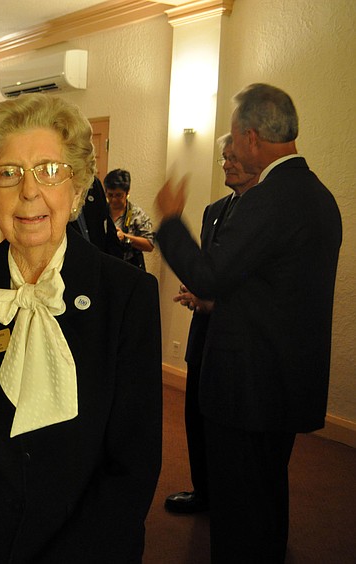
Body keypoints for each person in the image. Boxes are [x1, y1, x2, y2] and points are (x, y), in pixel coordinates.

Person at [0, 93, 162, 563]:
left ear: (76, 191)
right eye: (9, 173)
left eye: (50, 171)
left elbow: (133, 463)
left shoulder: (128, 294)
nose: (30, 191)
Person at [155, 83, 342, 563]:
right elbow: (278, 293)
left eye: (234, 139)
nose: (231, 150)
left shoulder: (273, 197)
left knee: (240, 507)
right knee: (266, 491)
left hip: (250, 384)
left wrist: (171, 220)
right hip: (285, 377)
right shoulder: (317, 196)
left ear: (252, 137)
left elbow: (208, 278)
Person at [164, 133, 259, 515]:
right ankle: (202, 490)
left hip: (237, 339)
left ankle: (226, 498)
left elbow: (251, 282)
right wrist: (197, 292)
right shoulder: (214, 209)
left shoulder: (261, 211)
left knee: (229, 432)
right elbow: (210, 269)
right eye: (223, 158)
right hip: (203, 335)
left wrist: (214, 300)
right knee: (195, 417)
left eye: (234, 157)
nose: (227, 164)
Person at [104, 169, 154, 270]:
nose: (113, 199)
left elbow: (149, 245)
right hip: (105, 265)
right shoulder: (100, 211)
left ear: (127, 193)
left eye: (118, 195)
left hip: (128, 267)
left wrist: (126, 237)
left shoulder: (137, 214)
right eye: (110, 195)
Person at [71, 176, 123, 258]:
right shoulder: (61, 185)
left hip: (97, 257)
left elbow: (105, 220)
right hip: (74, 258)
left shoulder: (94, 183)